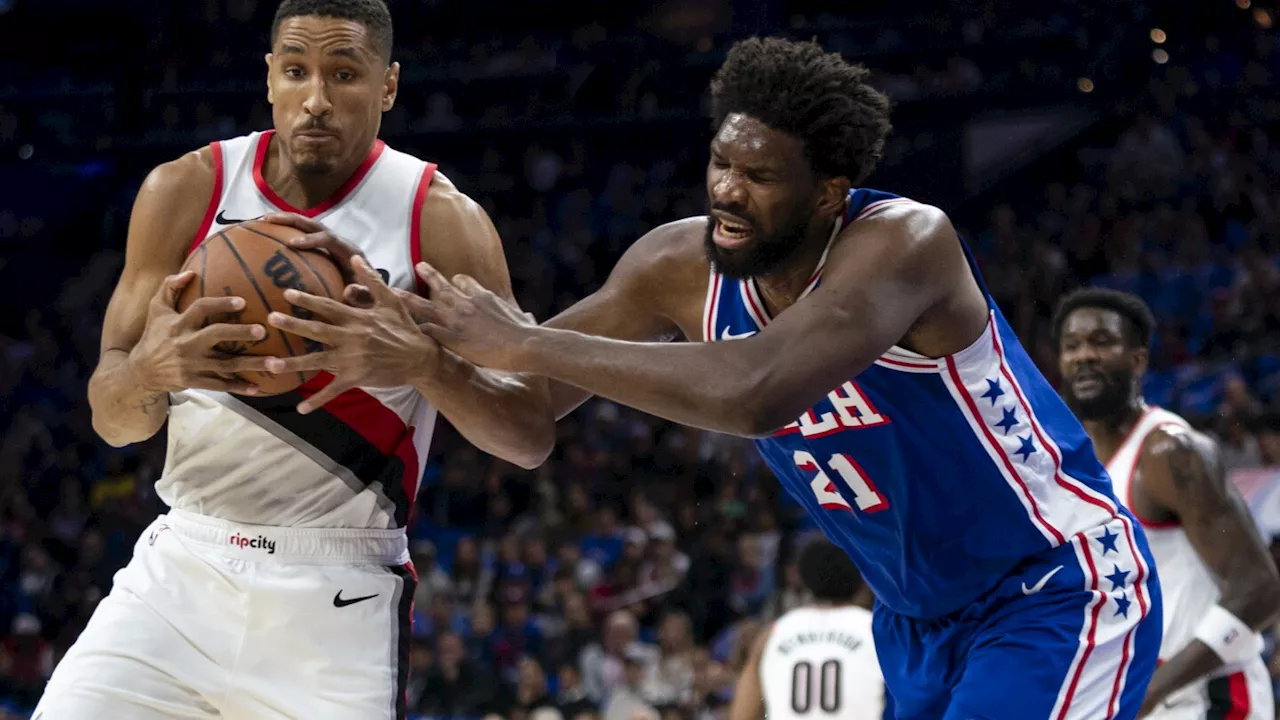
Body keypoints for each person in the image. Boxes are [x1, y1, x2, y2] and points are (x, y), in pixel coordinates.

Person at [286, 37, 1164, 718]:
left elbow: (756, 392)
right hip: (915, 624)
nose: (728, 193)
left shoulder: (906, 243)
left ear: (828, 192)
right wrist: (426, 364)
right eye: (721, 164)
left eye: (759, 176)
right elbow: (524, 428)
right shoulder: (675, 266)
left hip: (1052, 583)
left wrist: (525, 343)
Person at [34, 1, 552, 718]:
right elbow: (114, 419)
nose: (316, 100)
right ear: (269, 77)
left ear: (389, 86)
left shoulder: (437, 220)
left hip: (338, 596)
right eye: (297, 71)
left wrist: (426, 365)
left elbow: (528, 435)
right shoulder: (186, 190)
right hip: (182, 570)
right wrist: (151, 372)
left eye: (344, 74)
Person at [1055, 288, 1280, 719]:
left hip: (1207, 696)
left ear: (1138, 359)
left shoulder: (1171, 452)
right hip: (1131, 694)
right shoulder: (1070, 463)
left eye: (1101, 342)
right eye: (1072, 346)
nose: (1084, 355)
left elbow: (1261, 590)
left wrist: (1152, 689)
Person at [730, 539, 885, 720]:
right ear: (861, 580)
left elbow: (742, 715)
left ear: (804, 579)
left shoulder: (773, 633)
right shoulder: (877, 630)